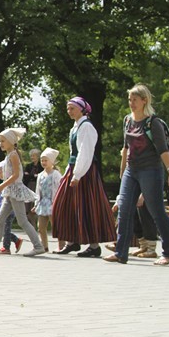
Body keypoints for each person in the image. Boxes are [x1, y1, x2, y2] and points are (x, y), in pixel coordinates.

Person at [104, 84, 169, 265]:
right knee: (124, 210)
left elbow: (163, 150)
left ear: (144, 101)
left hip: (150, 170)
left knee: (156, 211)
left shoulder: (153, 123)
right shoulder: (127, 120)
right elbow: (125, 148)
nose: (131, 103)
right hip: (131, 170)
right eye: (130, 99)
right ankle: (121, 253)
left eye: (135, 100)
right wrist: (123, 172)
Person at [52, 97, 116, 257]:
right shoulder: (75, 127)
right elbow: (74, 153)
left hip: (84, 172)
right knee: (66, 205)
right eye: (68, 108)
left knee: (87, 206)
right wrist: (69, 171)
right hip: (75, 168)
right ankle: (71, 242)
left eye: (72, 108)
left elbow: (85, 152)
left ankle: (94, 245)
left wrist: (77, 174)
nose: (69, 111)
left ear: (81, 109)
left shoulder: (86, 127)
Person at [0, 128, 45, 257]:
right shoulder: (10, 155)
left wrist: (1, 186)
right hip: (10, 192)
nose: (0, 143)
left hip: (15, 191)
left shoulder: (13, 155)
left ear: (11, 141)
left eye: (3, 141)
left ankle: (38, 246)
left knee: (22, 221)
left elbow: (15, 175)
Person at [32, 148, 63, 252]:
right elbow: (38, 191)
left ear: (52, 161)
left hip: (52, 203)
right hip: (43, 203)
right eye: (42, 160)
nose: (43, 162)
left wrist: (58, 203)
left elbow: (60, 189)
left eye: (46, 160)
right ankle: (44, 246)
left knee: (56, 226)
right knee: (40, 227)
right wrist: (36, 204)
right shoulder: (40, 175)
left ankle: (61, 245)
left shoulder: (56, 174)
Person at [0, 161, 24, 254]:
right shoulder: (2, 184)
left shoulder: (8, 185)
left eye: (0, 172)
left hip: (8, 212)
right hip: (2, 210)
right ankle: (16, 240)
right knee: (3, 230)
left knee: (5, 229)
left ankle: (6, 247)